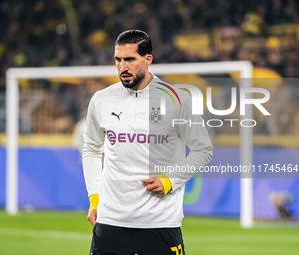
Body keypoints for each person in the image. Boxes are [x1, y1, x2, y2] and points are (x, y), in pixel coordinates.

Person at [82, 30, 213, 255]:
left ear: (148, 59)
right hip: (111, 221)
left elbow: (203, 149)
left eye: (130, 59)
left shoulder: (177, 99)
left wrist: (171, 180)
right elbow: (92, 149)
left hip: (160, 222)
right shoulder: (101, 100)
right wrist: (95, 198)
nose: (123, 67)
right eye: (118, 60)